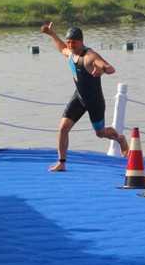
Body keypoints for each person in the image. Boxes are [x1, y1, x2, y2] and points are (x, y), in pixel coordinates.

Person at [40, 22, 128, 171]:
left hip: (94, 101)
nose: (70, 45)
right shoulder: (70, 52)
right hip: (79, 98)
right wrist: (52, 34)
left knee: (100, 133)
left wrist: (102, 69)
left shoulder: (89, 56)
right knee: (63, 128)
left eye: (73, 42)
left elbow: (110, 68)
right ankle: (61, 162)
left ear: (81, 41)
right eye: (69, 42)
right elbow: (61, 48)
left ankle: (120, 138)